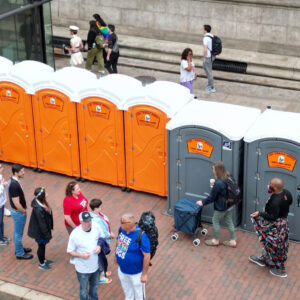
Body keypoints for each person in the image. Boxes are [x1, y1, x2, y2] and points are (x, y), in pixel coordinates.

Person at [249, 178, 293, 278]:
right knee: (269, 243)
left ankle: (280, 269)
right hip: (283, 222)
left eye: (271, 184)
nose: (269, 185)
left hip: (277, 226)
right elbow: (289, 202)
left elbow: (272, 216)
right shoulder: (287, 193)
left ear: (276, 187)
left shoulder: (275, 202)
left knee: (277, 245)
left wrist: (259, 214)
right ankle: (264, 258)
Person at [197, 161, 236, 247]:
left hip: (222, 207)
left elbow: (212, 197)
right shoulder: (230, 176)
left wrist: (202, 202)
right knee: (229, 221)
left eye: (213, 168)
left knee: (215, 221)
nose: (212, 170)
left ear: (217, 170)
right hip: (230, 204)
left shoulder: (218, 184)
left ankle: (215, 240)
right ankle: (233, 241)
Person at [67, 211, 104, 300]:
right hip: (82, 270)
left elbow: (102, 237)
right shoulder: (75, 234)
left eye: (90, 220)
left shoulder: (96, 226)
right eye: (86, 221)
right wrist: (81, 255)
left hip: (95, 267)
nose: (89, 223)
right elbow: (69, 251)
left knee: (94, 289)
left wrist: (99, 245)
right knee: (83, 291)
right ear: (81, 221)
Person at [115, 213, 150, 300]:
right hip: (122, 270)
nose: (120, 224)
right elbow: (118, 242)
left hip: (136, 273)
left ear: (129, 224)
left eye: (122, 222)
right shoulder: (121, 230)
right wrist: (116, 256)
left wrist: (144, 274)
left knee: (139, 295)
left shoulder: (142, 236)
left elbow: (146, 256)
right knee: (127, 292)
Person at [8, 164, 33, 259]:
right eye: (22, 171)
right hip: (18, 212)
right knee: (18, 233)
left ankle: (19, 248)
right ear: (15, 173)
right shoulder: (14, 185)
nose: (24, 173)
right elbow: (16, 202)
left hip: (17, 212)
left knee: (17, 232)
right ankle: (19, 253)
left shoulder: (13, 180)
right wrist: (23, 211)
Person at [89, 198, 115, 284]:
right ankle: (101, 277)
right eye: (100, 207)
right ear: (95, 208)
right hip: (101, 242)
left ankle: (103, 271)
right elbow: (102, 232)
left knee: (102, 259)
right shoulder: (96, 220)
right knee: (100, 260)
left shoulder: (97, 215)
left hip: (103, 240)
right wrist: (110, 235)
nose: (101, 208)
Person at [28, 187, 54, 270]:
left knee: (42, 246)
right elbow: (42, 223)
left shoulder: (40, 203)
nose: (47, 194)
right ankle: (42, 263)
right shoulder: (39, 209)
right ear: (42, 196)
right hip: (40, 232)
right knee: (41, 246)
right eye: (45, 193)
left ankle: (44, 260)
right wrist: (47, 234)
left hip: (41, 231)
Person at [63, 181, 88, 264]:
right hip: (74, 225)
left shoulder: (79, 194)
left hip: (82, 222)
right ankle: (73, 257)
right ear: (72, 191)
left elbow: (84, 203)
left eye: (79, 187)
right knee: (75, 240)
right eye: (77, 189)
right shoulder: (68, 201)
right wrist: (75, 227)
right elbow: (67, 217)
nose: (80, 190)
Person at [203, 24, 216, 93]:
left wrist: (204, 57)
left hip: (208, 56)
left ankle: (211, 87)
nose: (203, 30)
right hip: (212, 56)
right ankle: (210, 83)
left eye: (203, 29)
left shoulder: (205, 38)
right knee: (205, 67)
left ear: (205, 30)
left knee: (209, 71)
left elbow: (205, 49)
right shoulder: (212, 36)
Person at [0, 162, 9, 245]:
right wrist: (2, 185)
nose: (2, 168)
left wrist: (4, 185)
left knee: (1, 221)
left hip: (1, 202)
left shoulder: (0, 176)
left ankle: (2, 236)